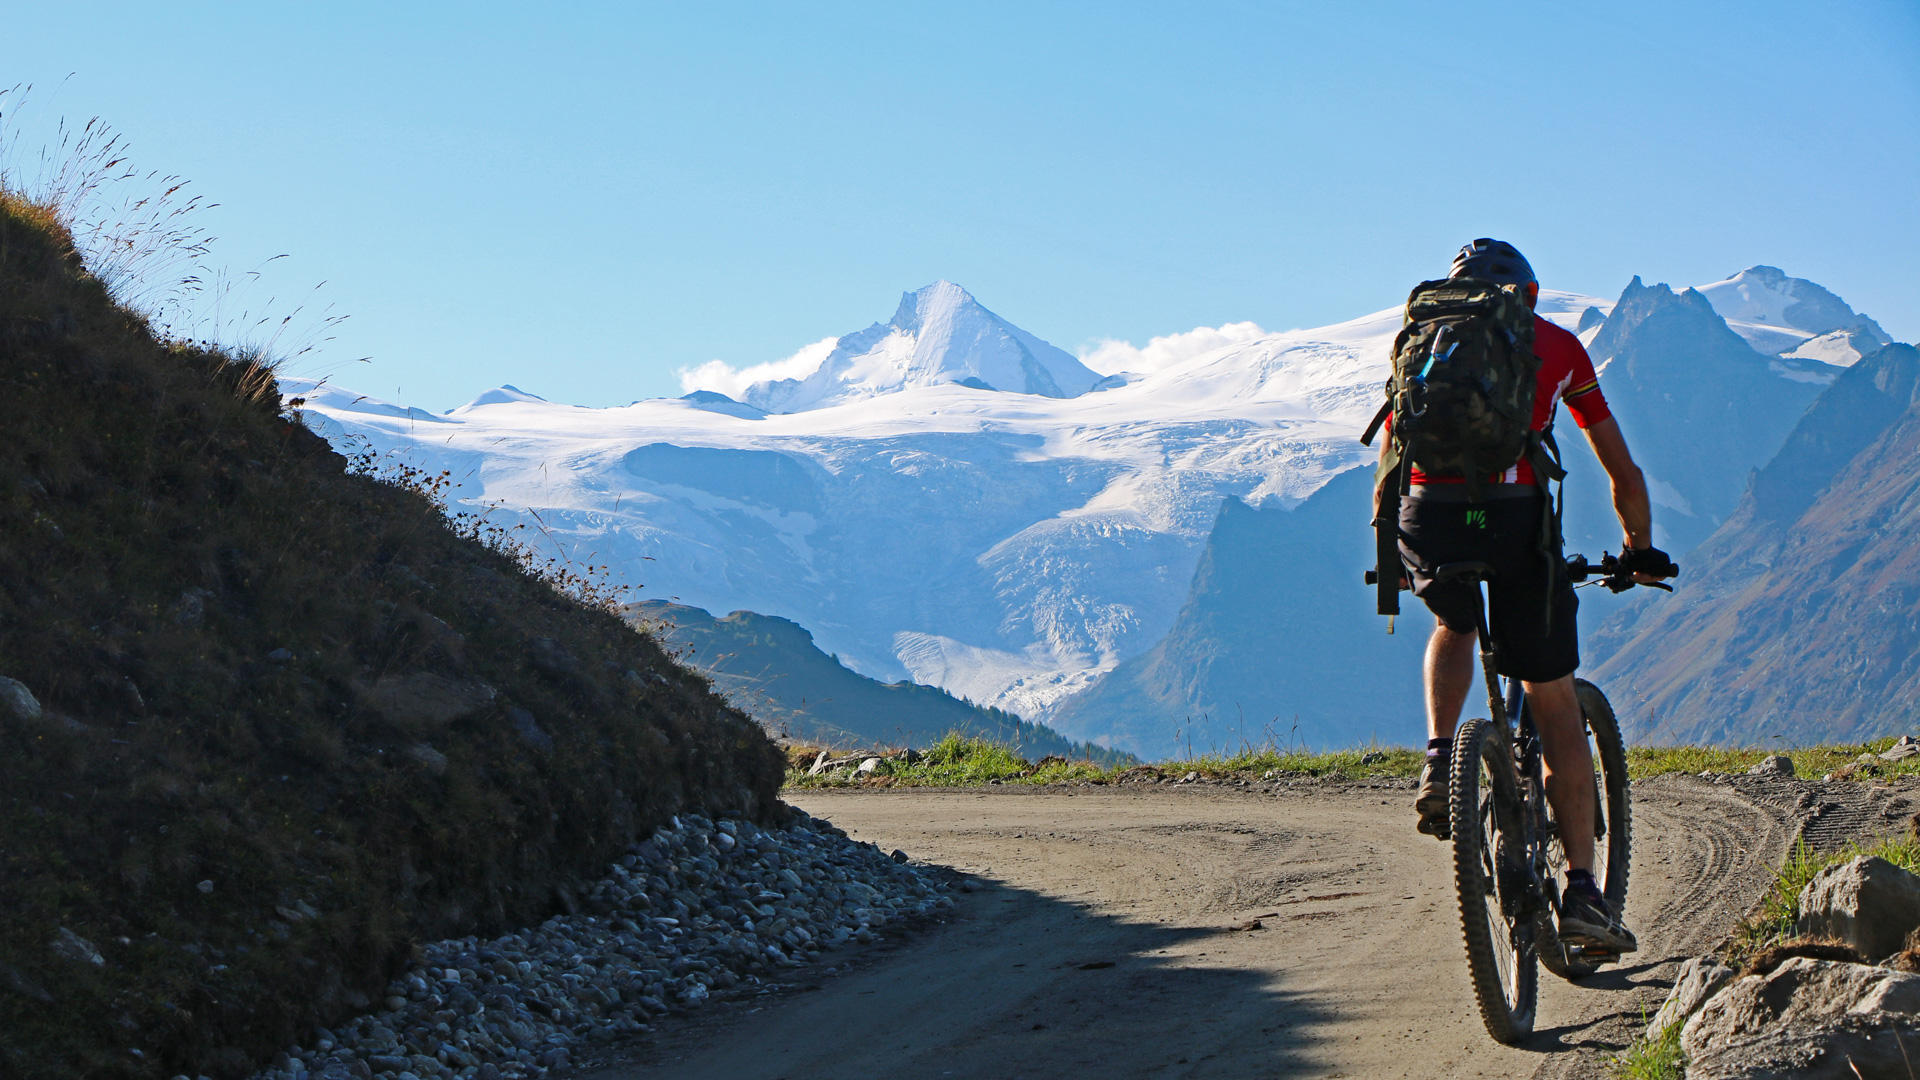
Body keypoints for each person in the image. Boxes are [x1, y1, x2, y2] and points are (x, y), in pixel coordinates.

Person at [1385, 239, 1674, 954]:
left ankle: (1438, 756)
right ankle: (1581, 892)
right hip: (1514, 517)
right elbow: (1619, 465)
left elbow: (1396, 446)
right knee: (1552, 694)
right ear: (1530, 295)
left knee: (1455, 620)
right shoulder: (1557, 349)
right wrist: (1638, 547)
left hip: (1426, 515)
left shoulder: (1422, 343)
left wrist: (1394, 546)